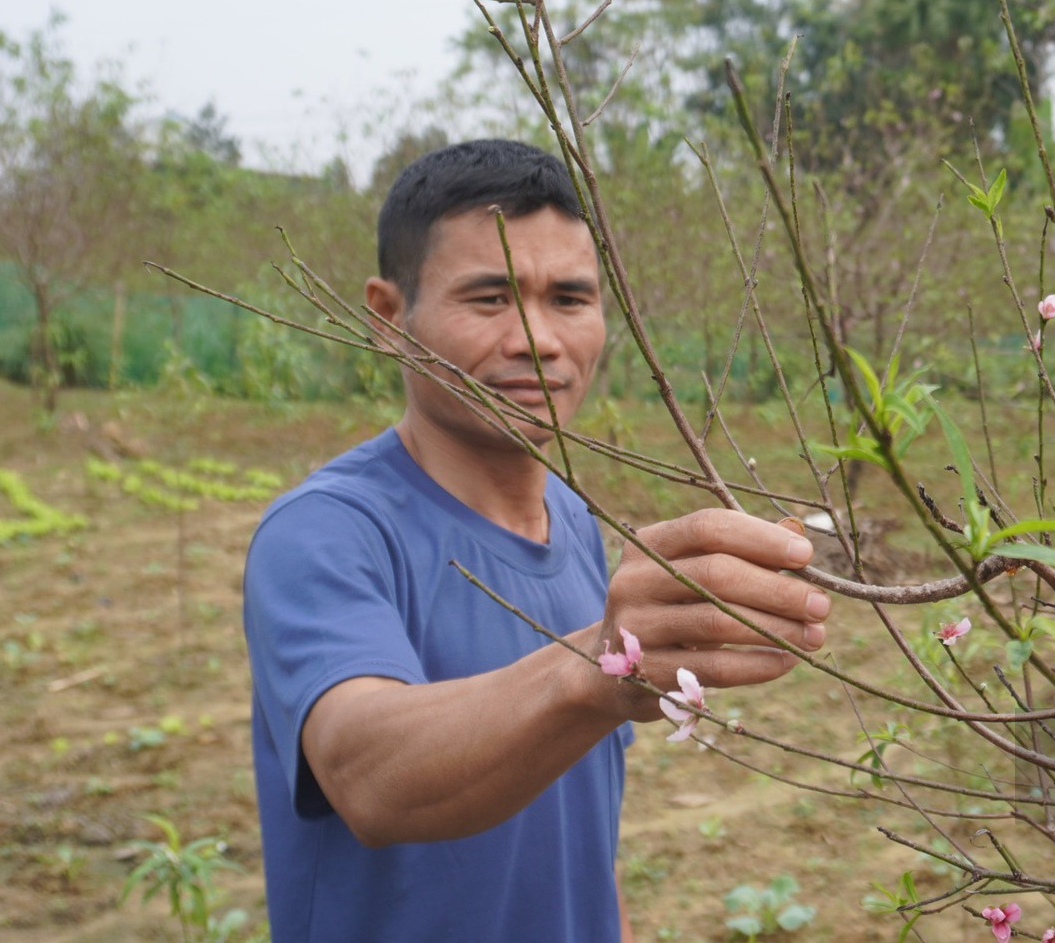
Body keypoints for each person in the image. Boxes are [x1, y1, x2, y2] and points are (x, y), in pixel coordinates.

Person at [241, 139, 832, 942]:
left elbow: (581, 825)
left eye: (570, 299)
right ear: (388, 317)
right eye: (490, 300)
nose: (539, 339)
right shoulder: (327, 531)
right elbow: (368, 772)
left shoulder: (579, 525)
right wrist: (598, 668)